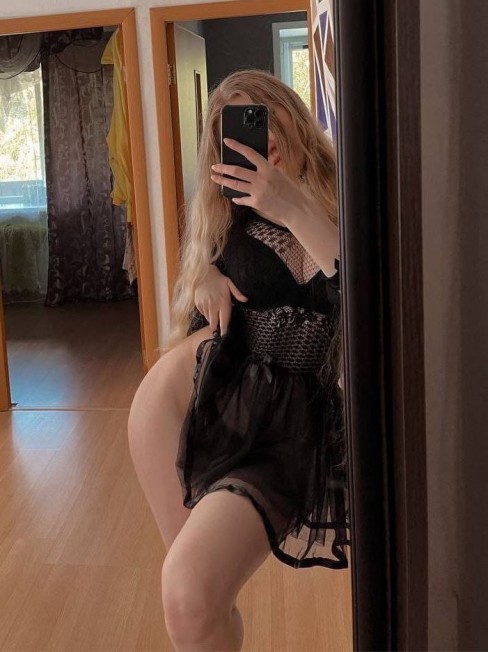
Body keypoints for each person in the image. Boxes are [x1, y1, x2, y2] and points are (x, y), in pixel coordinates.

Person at [128, 69, 350, 651]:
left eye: (265, 116)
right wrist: (202, 277)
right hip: (184, 405)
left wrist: (293, 206)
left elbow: (365, 303)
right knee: (195, 602)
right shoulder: (227, 214)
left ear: (292, 115)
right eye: (241, 129)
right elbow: (200, 310)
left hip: (295, 428)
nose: (261, 136)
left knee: (192, 594)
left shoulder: (352, 190)